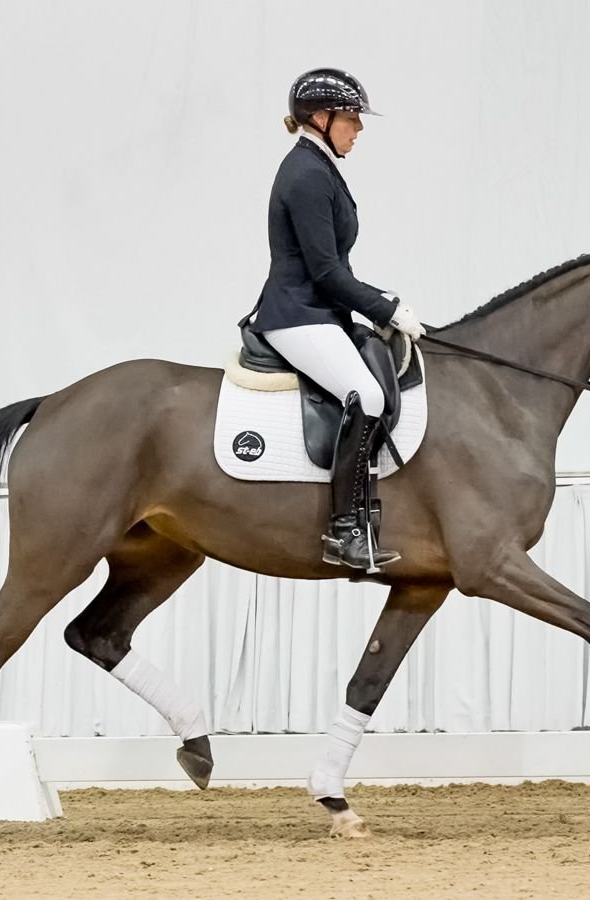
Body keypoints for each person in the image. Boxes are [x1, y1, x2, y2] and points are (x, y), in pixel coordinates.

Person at [249, 68, 425, 572]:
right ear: (320, 118)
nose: (358, 129)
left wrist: (378, 303)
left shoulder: (320, 166)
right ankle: (344, 531)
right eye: (351, 118)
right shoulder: (305, 174)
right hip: (295, 313)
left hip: (319, 309)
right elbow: (325, 272)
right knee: (366, 396)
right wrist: (386, 308)